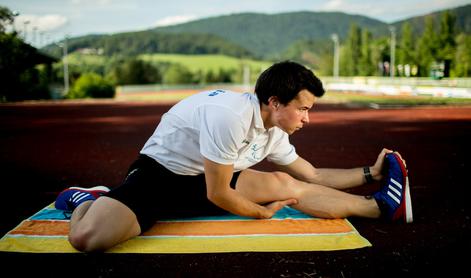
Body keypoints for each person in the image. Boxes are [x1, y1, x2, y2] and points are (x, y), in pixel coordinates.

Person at [55, 61, 413, 252]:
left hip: (212, 177)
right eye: (303, 109)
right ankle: (89, 199)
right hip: (161, 176)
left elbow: (313, 175)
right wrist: (261, 212)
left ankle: (381, 206)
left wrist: (371, 172)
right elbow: (219, 194)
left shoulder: (274, 127)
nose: (307, 118)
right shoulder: (230, 115)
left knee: (287, 183)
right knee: (87, 241)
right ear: (275, 102)